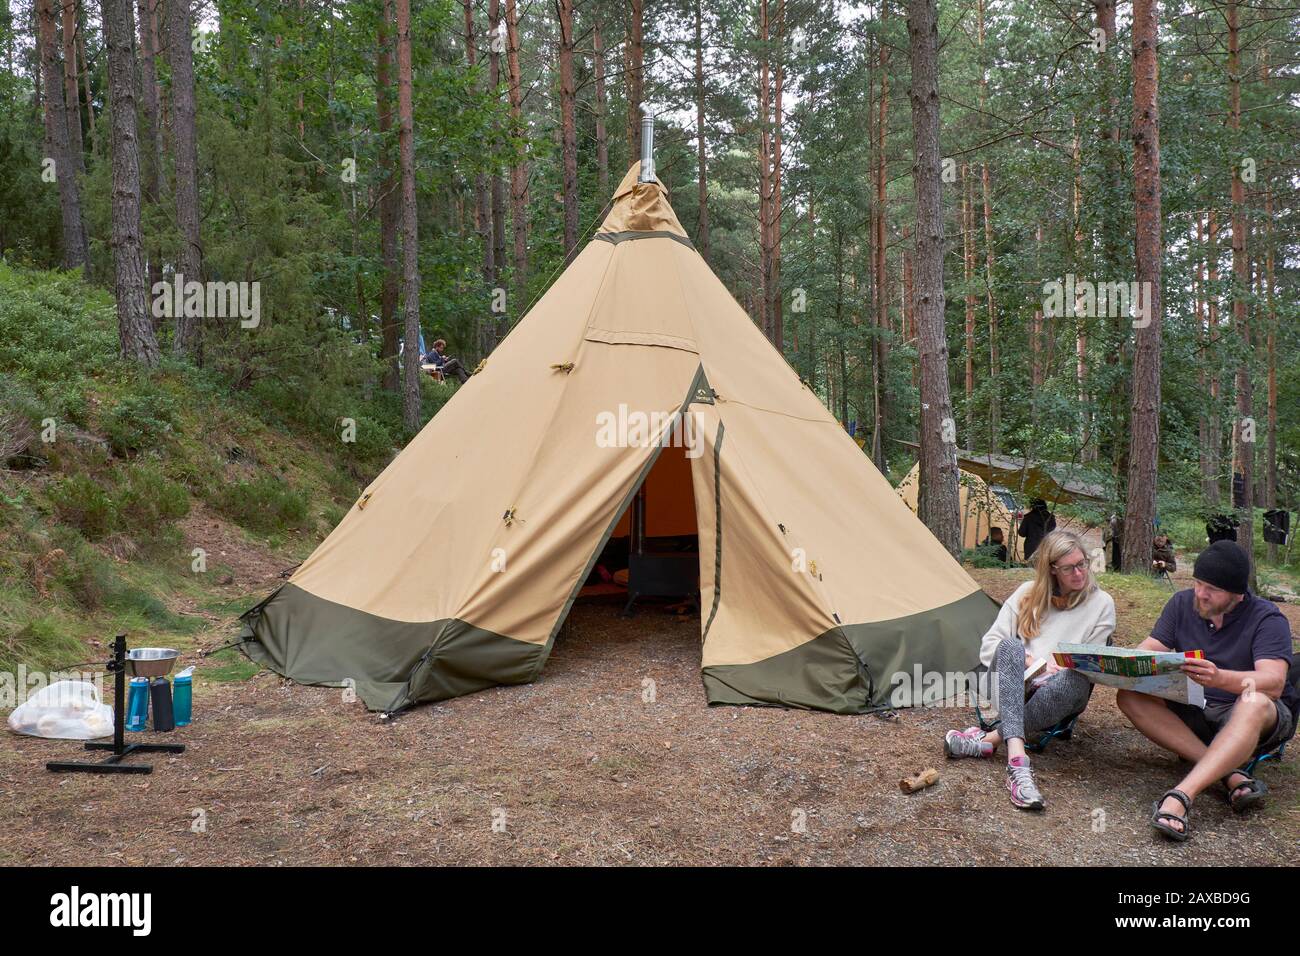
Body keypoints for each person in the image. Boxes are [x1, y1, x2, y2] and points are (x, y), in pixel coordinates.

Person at [1117, 541, 1297, 841]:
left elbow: (1273, 682)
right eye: (1198, 583)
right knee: (1129, 696)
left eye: (1212, 589)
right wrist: (1123, 665)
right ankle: (1228, 773)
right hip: (1196, 708)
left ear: (1238, 594)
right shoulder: (1181, 603)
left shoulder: (1267, 618)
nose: (1201, 594)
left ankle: (1181, 796)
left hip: (1251, 715)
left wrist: (1219, 678)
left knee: (1253, 699)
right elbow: (1150, 649)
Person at [943, 530, 1116, 810]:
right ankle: (1017, 761)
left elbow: (1092, 666)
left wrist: (1062, 668)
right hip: (1011, 683)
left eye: (1082, 563)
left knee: (1074, 677)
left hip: (1057, 693)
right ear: (1051, 570)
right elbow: (989, 648)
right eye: (1069, 568)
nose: (1079, 573)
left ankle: (990, 740)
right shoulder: (1027, 593)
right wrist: (1031, 663)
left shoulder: (1101, 604)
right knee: (1011, 647)